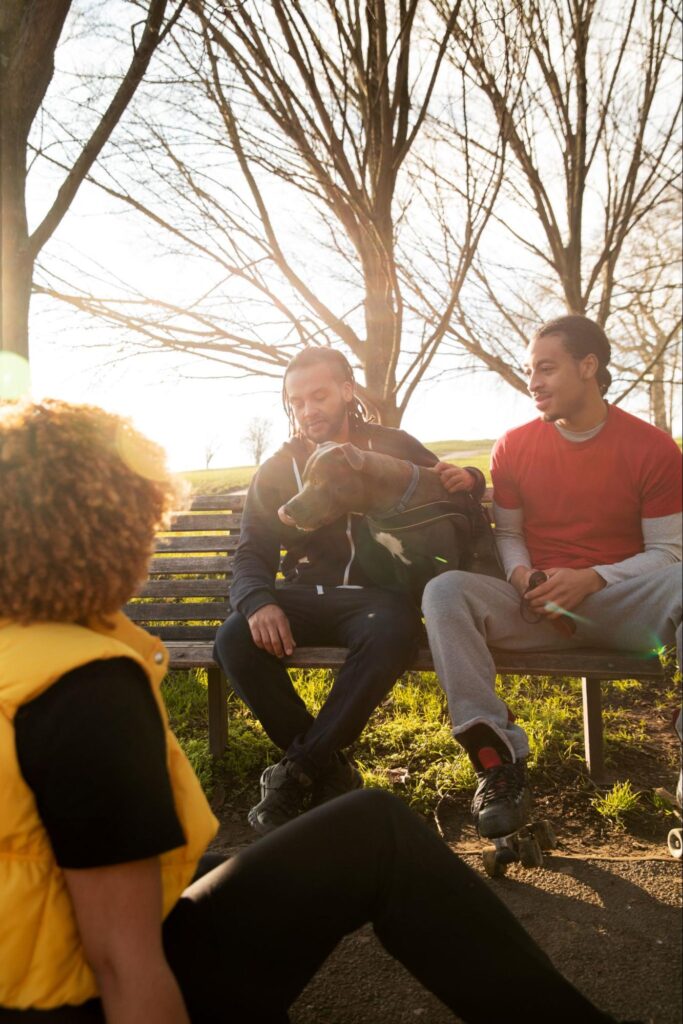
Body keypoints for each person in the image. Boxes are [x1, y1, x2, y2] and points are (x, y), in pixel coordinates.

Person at [0, 398, 636, 1024]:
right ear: (111, 534)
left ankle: (310, 768)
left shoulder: (22, 653)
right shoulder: (83, 687)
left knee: (335, 833)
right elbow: (122, 962)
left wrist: (468, 479)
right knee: (380, 832)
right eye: (147, 523)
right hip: (65, 992)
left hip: (40, 928)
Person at [422, 314, 683, 840]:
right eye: (528, 371)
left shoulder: (653, 447)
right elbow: (509, 533)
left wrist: (594, 578)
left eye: (546, 368)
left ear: (588, 367)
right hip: (536, 609)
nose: (533, 383)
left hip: (622, 607)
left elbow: (668, 552)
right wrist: (521, 575)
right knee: (445, 591)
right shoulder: (513, 447)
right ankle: (497, 765)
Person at [213, 346, 484, 835]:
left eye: (318, 396)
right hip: (304, 596)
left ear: (346, 390)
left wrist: (473, 478)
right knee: (234, 638)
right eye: (297, 401)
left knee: (394, 633)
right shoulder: (278, 468)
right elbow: (252, 551)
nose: (307, 410)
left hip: (377, 602)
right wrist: (258, 602)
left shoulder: (393, 445)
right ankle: (324, 767)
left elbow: (447, 490)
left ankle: (299, 770)